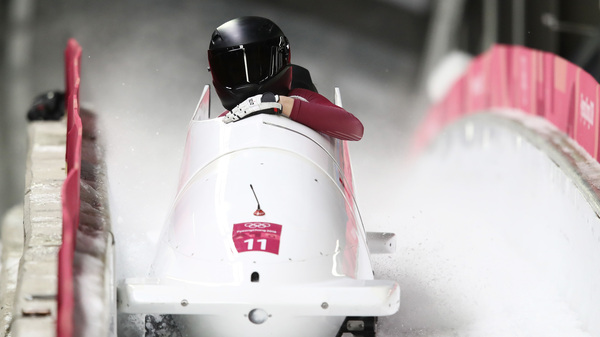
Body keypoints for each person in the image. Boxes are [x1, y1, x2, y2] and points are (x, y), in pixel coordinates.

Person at [207, 16, 364, 141]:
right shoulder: (225, 119)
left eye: (257, 65)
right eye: (235, 70)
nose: (246, 78)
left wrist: (277, 103)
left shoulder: (300, 97)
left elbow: (354, 128)